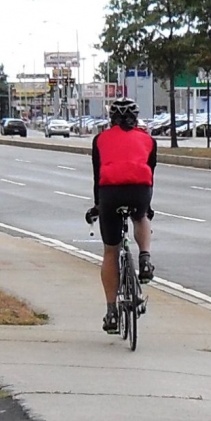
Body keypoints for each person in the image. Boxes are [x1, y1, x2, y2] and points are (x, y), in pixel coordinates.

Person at [85, 97, 157, 334]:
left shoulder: (100, 140)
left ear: (111, 118)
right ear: (135, 118)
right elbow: (149, 175)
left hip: (110, 193)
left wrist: (98, 206)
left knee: (110, 251)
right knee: (141, 216)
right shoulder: (148, 140)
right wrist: (147, 205)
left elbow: (98, 176)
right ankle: (145, 258)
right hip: (140, 191)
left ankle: (111, 311)